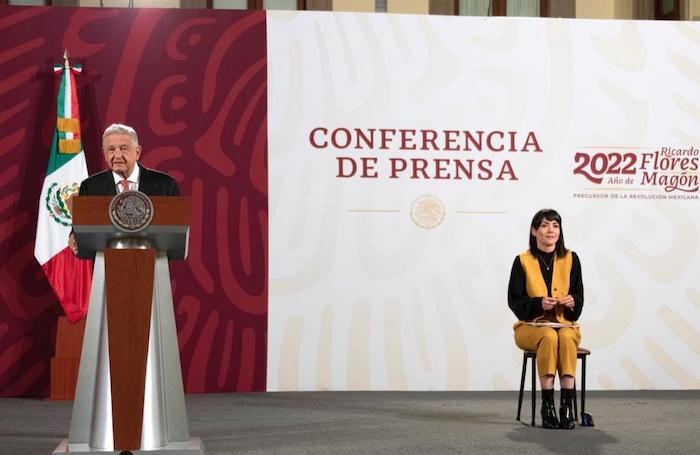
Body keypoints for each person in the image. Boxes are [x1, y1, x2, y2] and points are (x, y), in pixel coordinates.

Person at [508, 208, 584, 430]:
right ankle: (547, 406)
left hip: (564, 324)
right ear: (534, 231)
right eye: (544, 225)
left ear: (560, 231)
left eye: (555, 225)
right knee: (549, 337)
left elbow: (579, 296)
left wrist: (572, 301)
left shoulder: (571, 258)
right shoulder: (522, 261)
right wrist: (538, 304)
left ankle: (567, 406)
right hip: (530, 327)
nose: (550, 230)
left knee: (567, 336)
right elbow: (514, 301)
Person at [69, 123, 180, 254]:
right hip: (105, 266)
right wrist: (75, 236)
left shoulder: (165, 185)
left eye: (123, 149)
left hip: (154, 265)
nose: (117, 155)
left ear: (137, 152)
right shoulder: (91, 187)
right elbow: (82, 228)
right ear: (104, 153)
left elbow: (176, 231)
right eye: (111, 149)